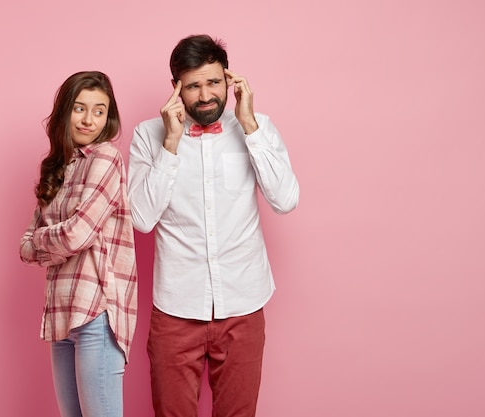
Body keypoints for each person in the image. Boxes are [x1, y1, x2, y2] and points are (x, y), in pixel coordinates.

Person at [127, 34, 299, 417]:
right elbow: (141, 218)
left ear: (230, 81)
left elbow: (285, 199)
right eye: (193, 86)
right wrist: (170, 144)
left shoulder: (258, 128)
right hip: (176, 307)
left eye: (213, 82)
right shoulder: (147, 136)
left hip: (244, 302)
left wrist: (250, 124)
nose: (205, 95)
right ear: (176, 89)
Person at [19, 71, 137, 417]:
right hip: (60, 315)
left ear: (108, 116)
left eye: (99, 111)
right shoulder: (56, 168)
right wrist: (48, 239)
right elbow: (23, 247)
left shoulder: (105, 159)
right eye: (80, 108)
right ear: (64, 112)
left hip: (95, 312)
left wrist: (44, 238)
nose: (89, 120)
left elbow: (76, 235)